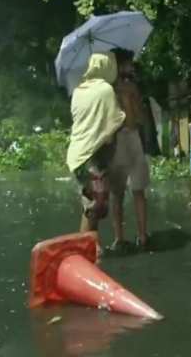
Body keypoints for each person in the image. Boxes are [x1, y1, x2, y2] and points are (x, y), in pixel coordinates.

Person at [66, 52, 126, 243]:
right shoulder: (106, 90)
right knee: (95, 206)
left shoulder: (78, 91)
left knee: (93, 204)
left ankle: (93, 248)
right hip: (94, 156)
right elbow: (117, 120)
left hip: (78, 156)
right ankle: (86, 250)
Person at [107, 48, 151, 251]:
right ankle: (142, 235)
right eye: (128, 64)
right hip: (131, 138)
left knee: (118, 193)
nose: (131, 67)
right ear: (122, 65)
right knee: (138, 190)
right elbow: (139, 117)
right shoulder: (130, 88)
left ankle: (118, 237)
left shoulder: (108, 89)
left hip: (116, 140)